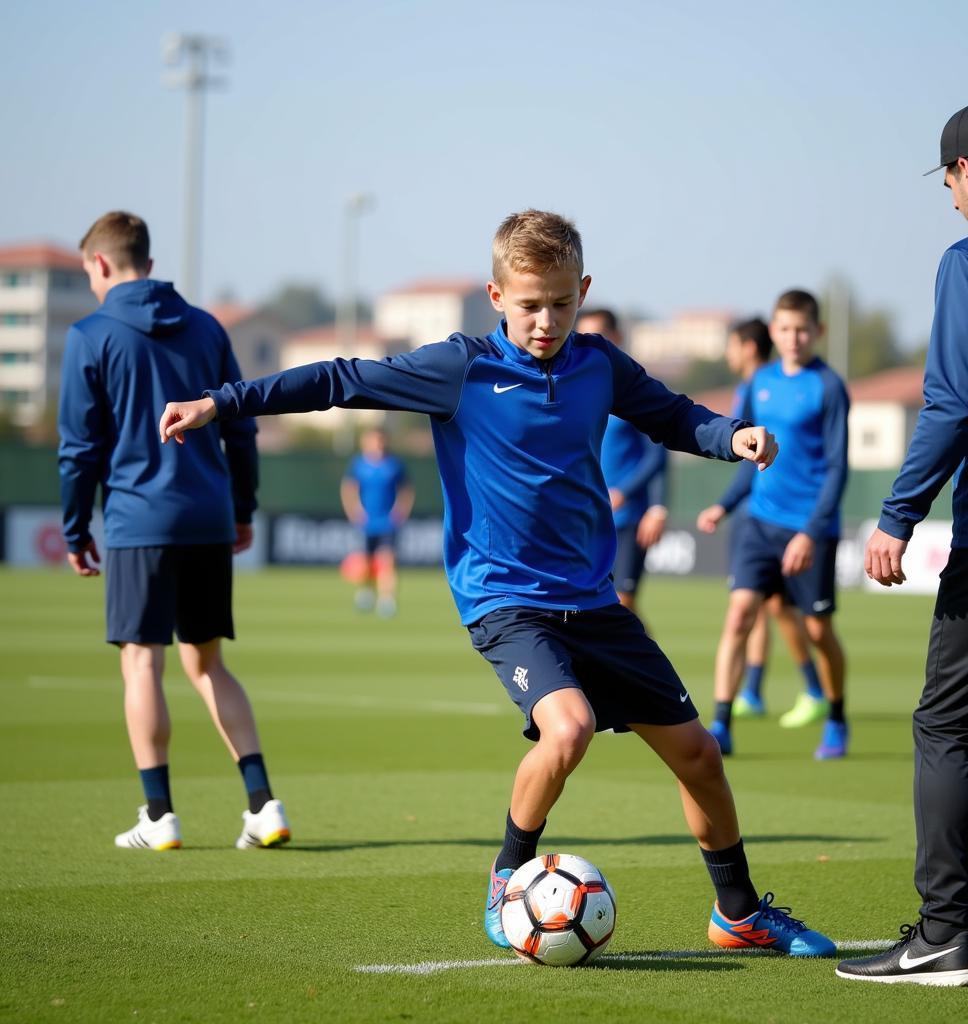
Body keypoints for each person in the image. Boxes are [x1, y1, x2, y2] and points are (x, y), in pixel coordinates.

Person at [161, 209, 835, 957]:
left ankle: (737, 914)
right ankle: (507, 878)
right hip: (507, 601)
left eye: (560, 303)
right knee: (569, 727)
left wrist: (728, 437)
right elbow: (338, 380)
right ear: (495, 295)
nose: (546, 321)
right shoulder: (461, 367)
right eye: (529, 305)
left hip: (593, 598)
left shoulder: (599, 364)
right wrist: (221, 403)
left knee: (700, 756)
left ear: (583, 290)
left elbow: (671, 416)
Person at [838, 97, 968, 987]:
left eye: (951, 184)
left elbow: (953, 404)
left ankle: (944, 935)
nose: (953, 200)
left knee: (948, 725)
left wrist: (897, 516)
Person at [58, 211, 289, 852]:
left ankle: (158, 814)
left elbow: (79, 449)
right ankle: (263, 805)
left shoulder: (90, 333)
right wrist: (242, 507)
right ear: (149, 264)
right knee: (208, 662)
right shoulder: (209, 327)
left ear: (100, 265)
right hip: (208, 516)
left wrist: (76, 527)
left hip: (138, 519)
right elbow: (241, 424)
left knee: (142, 663)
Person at [704, 292, 849, 759]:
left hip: (810, 530)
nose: (793, 338)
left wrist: (811, 531)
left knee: (817, 631)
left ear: (817, 332)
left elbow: (837, 467)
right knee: (740, 614)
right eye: (784, 329)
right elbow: (751, 458)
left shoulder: (828, 387)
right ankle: (721, 723)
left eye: (802, 329)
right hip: (759, 525)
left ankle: (837, 718)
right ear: (773, 331)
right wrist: (724, 506)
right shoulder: (759, 382)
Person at [697, 319, 825, 725]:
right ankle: (751, 693)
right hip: (757, 518)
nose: (728, 355)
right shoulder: (755, 386)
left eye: (732, 346)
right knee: (759, 606)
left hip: (787, 518)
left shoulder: (764, 388)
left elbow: (755, 463)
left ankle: (799, 689)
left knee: (782, 610)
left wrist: (726, 503)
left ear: (749, 347)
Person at [576, 308, 668, 616]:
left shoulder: (632, 389)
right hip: (587, 519)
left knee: (623, 604)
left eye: (598, 335)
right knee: (596, 610)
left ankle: (650, 666)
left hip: (628, 518)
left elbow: (658, 453)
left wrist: (653, 505)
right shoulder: (575, 388)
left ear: (616, 337)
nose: (591, 343)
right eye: (584, 336)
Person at [341, 426, 415, 616]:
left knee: (387, 562)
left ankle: (387, 601)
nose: (378, 444)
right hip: (366, 521)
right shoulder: (358, 464)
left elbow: (406, 490)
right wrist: (354, 510)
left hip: (388, 522)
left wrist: (401, 511)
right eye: (374, 440)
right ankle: (366, 592)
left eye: (381, 440)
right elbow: (349, 489)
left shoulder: (394, 464)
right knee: (365, 563)